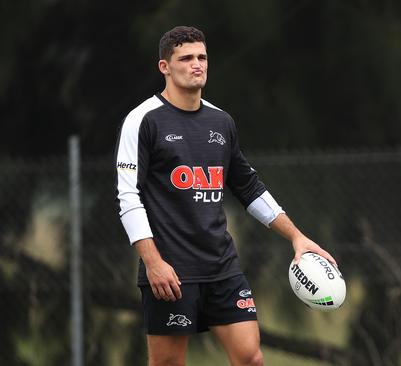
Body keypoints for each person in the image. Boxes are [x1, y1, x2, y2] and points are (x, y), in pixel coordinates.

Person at [114, 25, 337, 366]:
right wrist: (153, 262)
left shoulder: (221, 122)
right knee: (168, 364)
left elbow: (248, 187)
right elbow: (128, 197)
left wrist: (297, 237)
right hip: (171, 271)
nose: (196, 65)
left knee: (250, 358)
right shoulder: (143, 120)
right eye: (185, 58)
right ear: (165, 67)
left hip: (222, 267)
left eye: (201, 57)